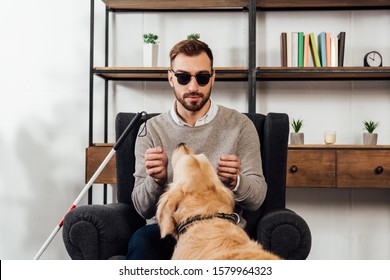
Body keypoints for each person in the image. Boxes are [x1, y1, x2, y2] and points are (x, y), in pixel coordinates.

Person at [126, 39, 267, 259]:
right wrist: (156, 181)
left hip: (220, 230)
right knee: (144, 241)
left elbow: (257, 198)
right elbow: (142, 208)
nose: (193, 87)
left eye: (202, 78)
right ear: (171, 78)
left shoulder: (240, 126)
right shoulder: (151, 129)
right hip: (166, 231)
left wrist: (236, 182)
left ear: (213, 76)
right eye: (183, 77)